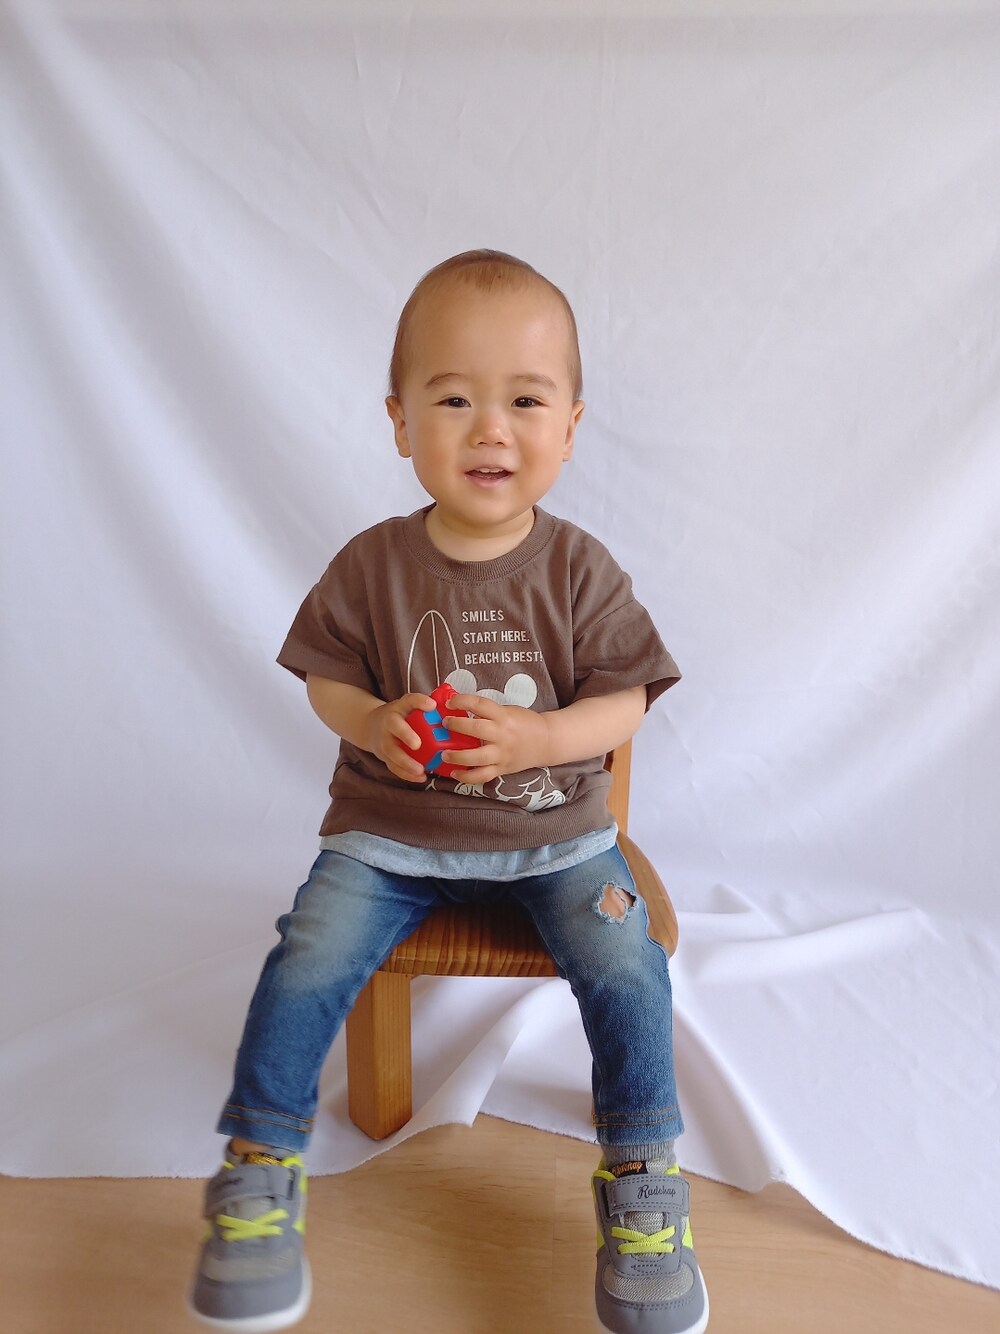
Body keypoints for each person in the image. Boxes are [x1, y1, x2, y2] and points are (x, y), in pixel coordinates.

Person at [188, 250, 709, 1334]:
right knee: (307, 954)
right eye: (454, 399)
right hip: (389, 836)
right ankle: (260, 1162)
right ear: (399, 422)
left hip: (557, 838)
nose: (490, 430)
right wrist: (369, 720)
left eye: (525, 400)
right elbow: (327, 680)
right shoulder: (372, 565)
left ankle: (642, 1174)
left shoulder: (579, 570)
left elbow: (627, 701)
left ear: (570, 426)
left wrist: (545, 735)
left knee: (628, 961)